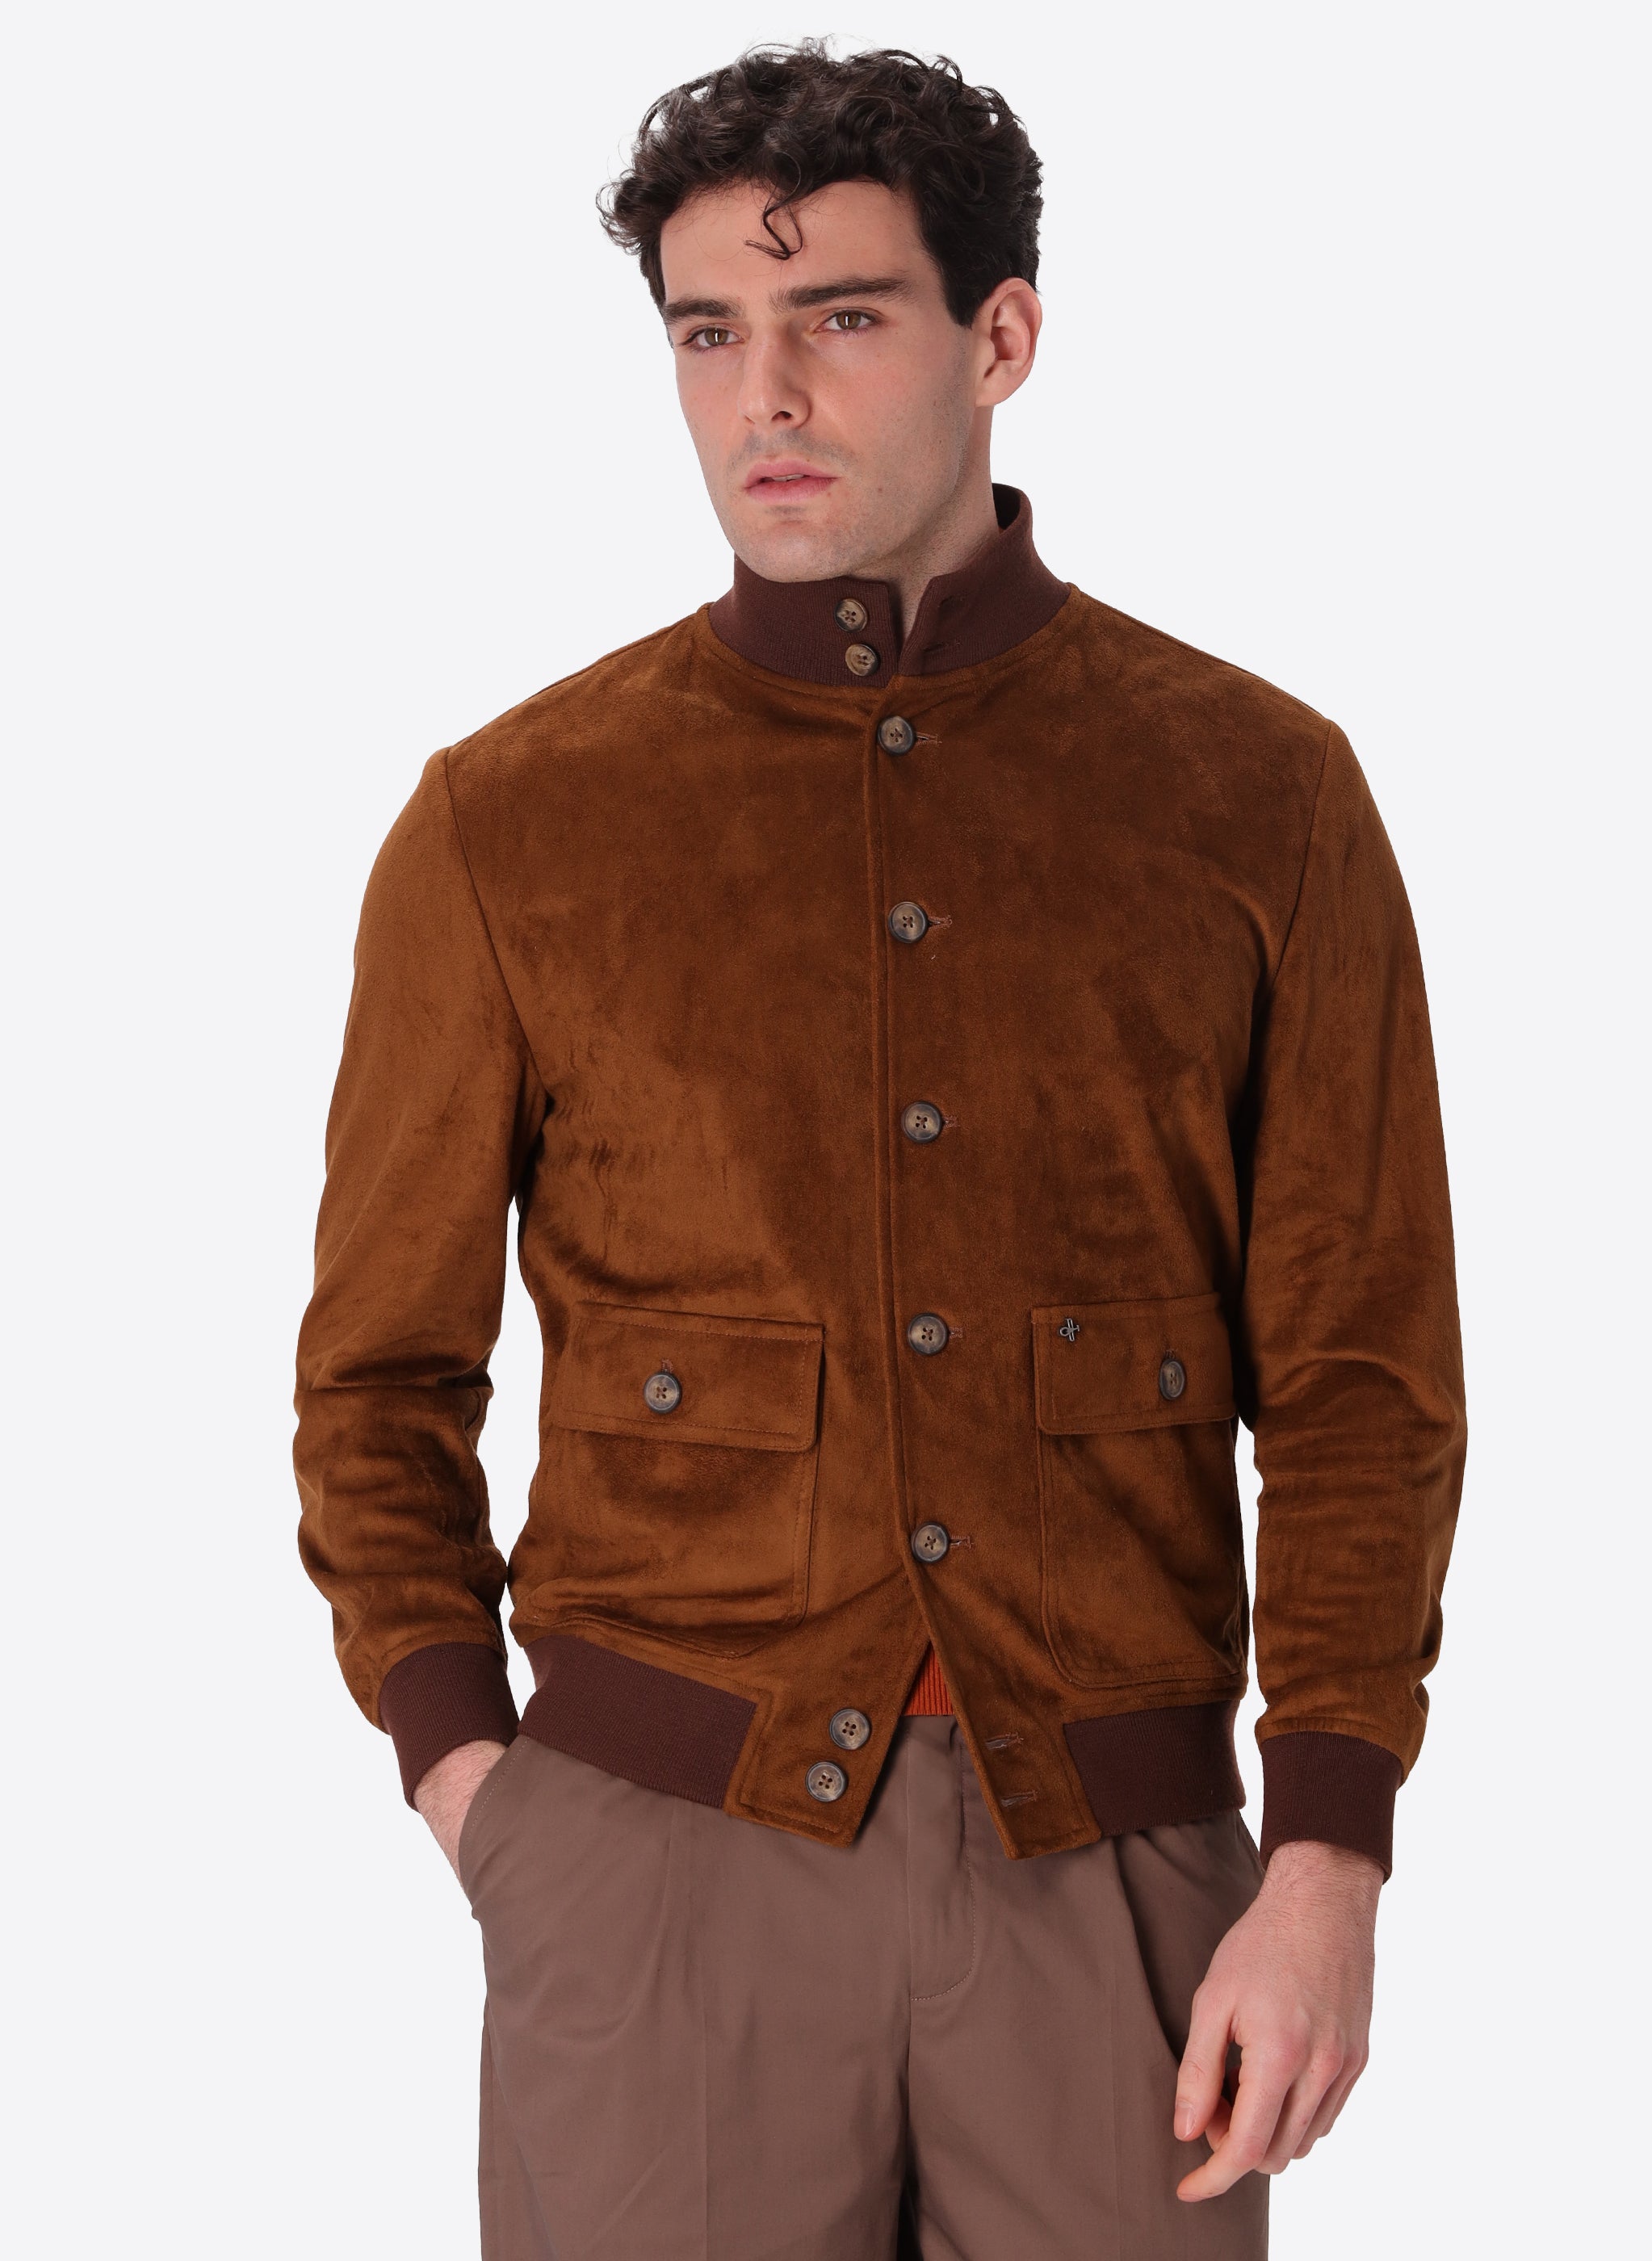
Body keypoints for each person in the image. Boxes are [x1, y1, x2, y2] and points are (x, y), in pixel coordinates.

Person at [293, 40, 1465, 2259]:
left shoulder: (1260, 795)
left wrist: (1326, 1861)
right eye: (707, 332)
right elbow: (374, 1381)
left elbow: (1358, 1377)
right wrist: (476, 1787)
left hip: (1121, 1880)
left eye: (839, 316)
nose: (765, 395)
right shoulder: (510, 820)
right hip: (652, 1872)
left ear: (998, 336)